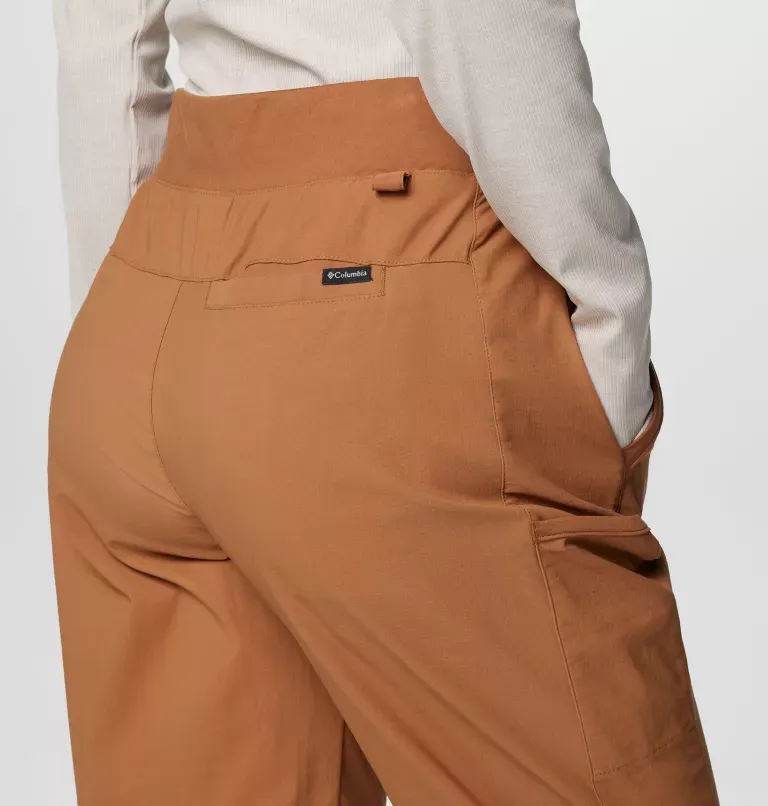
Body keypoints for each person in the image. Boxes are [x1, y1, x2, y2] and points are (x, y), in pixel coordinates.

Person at [48, 2, 719, 804]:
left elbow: (103, 36)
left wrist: (130, 310)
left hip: (141, 317)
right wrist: (609, 326)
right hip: (386, 279)